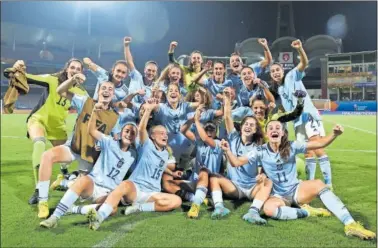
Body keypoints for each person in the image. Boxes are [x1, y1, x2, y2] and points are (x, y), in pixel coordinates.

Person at [224, 120, 376, 240]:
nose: (274, 130)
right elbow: (236, 162)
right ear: (266, 133)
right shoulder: (259, 151)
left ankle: (350, 224)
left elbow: (319, 144)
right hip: (278, 196)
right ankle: (307, 212)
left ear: (283, 133)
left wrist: (334, 134)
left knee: (318, 184)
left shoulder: (292, 146)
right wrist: (227, 151)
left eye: (278, 128)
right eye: (271, 128)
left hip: (296, 190)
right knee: (268, 210)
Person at [85, 103, 182, 231]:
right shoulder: (146, 145)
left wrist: (172, 173)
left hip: (152, 192)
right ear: (152, 135)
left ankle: (137, 208)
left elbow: (160, 166)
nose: (165, 136)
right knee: (124, 185)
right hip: (136, 188)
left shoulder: (165, 153)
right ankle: (100, 217)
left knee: (177, 201)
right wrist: (148, 110)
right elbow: (141, 129)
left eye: (166, 134)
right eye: (161, 133)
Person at [39, 105, 138, 228]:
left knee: (112, 209)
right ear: (121, 132)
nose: (129, 134)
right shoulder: (109, 142)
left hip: (107, 192)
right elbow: (91, 131)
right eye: (127, 131)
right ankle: (55, 217)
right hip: (93, 184)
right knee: (83, 180)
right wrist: (95, 112)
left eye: (133, 133)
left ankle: (74, 209)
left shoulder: (133, 154)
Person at [36, 80, 119, 219]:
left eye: (110, 89)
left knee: (82, 193)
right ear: (98, 91)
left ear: (113, 94)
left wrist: (105, 147)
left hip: (91, 157)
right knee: (47, 156)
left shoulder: (115, 117)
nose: (106, 91)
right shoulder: (85, 102)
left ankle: (65, 182)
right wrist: (73, 79)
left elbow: (114, 141)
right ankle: (42, 201)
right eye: (103, 88)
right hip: (74, 148)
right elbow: (60, 91)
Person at [10, 59, 89, 205]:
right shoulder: (52, 80)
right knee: (39, 143)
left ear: (81, 73)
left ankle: (63, 173)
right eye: (72, 67)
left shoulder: (81, 92)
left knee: (66, 156)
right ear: (67, 69)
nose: (75, 70)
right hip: (38, 119)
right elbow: (26, 77)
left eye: (78, 68)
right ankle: (39, 189)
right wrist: (16, 69)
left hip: (58, 127)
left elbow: (92, 109)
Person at [269, 39, 333, 189]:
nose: (275, 73)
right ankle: (310, 182)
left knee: (317, 147)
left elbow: (303, 63)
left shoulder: (292, 76)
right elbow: (287, 108)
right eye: (273, 72)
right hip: (297, 122)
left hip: (308, 115)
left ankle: (329, 184)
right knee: (307, 152)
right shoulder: (279, 90)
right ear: (271, 75)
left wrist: (300, 49)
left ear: (282, 71)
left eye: (277, 70)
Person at [209, 92, 272, 224]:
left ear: (255, 130)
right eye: (246, 124)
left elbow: (260, 167)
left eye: (252, 125)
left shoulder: (258, 147)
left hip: (252, 187)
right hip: (235, 187)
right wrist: (227, 100)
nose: (248, 126)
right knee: (214, 177)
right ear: (241, 127)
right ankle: (219, 207)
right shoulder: (233, 138)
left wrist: (262, 176)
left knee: (268, 183)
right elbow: (227, 117)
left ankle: (253, 212)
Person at [181, 108, 224, 219]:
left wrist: (196, 121)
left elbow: (204, 137)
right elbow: (183, 131)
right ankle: (196, 197)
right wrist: (191, 120)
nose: (209, 131)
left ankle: (195, 205)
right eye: (207, 129)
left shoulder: (219, 143)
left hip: (211, 183)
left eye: (212, 129)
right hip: (195, 181)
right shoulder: (199, 142)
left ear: (216, 132)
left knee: (204, 171)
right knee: (169, 183)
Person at [151, 83, 200, 170]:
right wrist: (152, 96)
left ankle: (185, 165)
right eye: (170, 90)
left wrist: (202, 94)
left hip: (184, 144)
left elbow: (201, 103)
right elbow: (150, 106)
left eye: (176, 91)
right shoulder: (162, 107)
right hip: (169, 144)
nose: (173, 92)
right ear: (166, 95)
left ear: (180, 95)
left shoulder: (184, 105)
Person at [123, 36, 159, 104]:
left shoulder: (154, 88)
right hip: (128, 108)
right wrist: (126, 46)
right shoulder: (136, 76)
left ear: (156, 73)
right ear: (144, 70)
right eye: (149, 70)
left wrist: (148, 95)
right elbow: (129, 62)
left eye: (153, 71)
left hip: (141, 113)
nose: (151, 73)